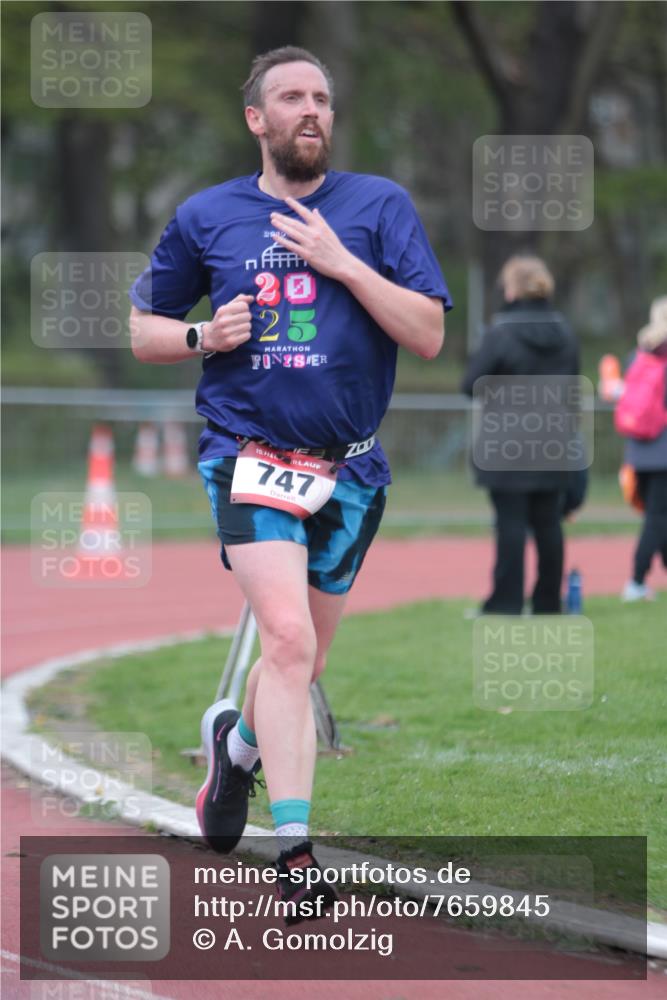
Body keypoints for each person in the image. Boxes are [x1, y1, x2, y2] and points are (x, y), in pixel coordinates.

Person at [129, 46, 451, 917]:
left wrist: (343, 262)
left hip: (351, 469)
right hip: (250, 452)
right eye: (290, 98)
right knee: (286, 643)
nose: (310, 110)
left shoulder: (379, 208)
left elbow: (426, 334)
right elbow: (143, 330)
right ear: (256, 120)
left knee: (298, 661)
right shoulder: (208, 217)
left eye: (321, 98)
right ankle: (297, 853)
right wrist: (204, 337)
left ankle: (234, 752)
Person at [461, 256, 579, 615]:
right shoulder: (566, 332)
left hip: (506, 442)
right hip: (553, 440)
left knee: (509, 523)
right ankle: (547, 602)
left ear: (511, 289)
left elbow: (470, 385)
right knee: (548, 524)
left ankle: (506, 602)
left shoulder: (501, 332)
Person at [619, 296, 667, 601]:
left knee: (658, 514)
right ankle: (636, 580)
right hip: (664, 449)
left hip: (640, 449)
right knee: (657, 518)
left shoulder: (638, 354)